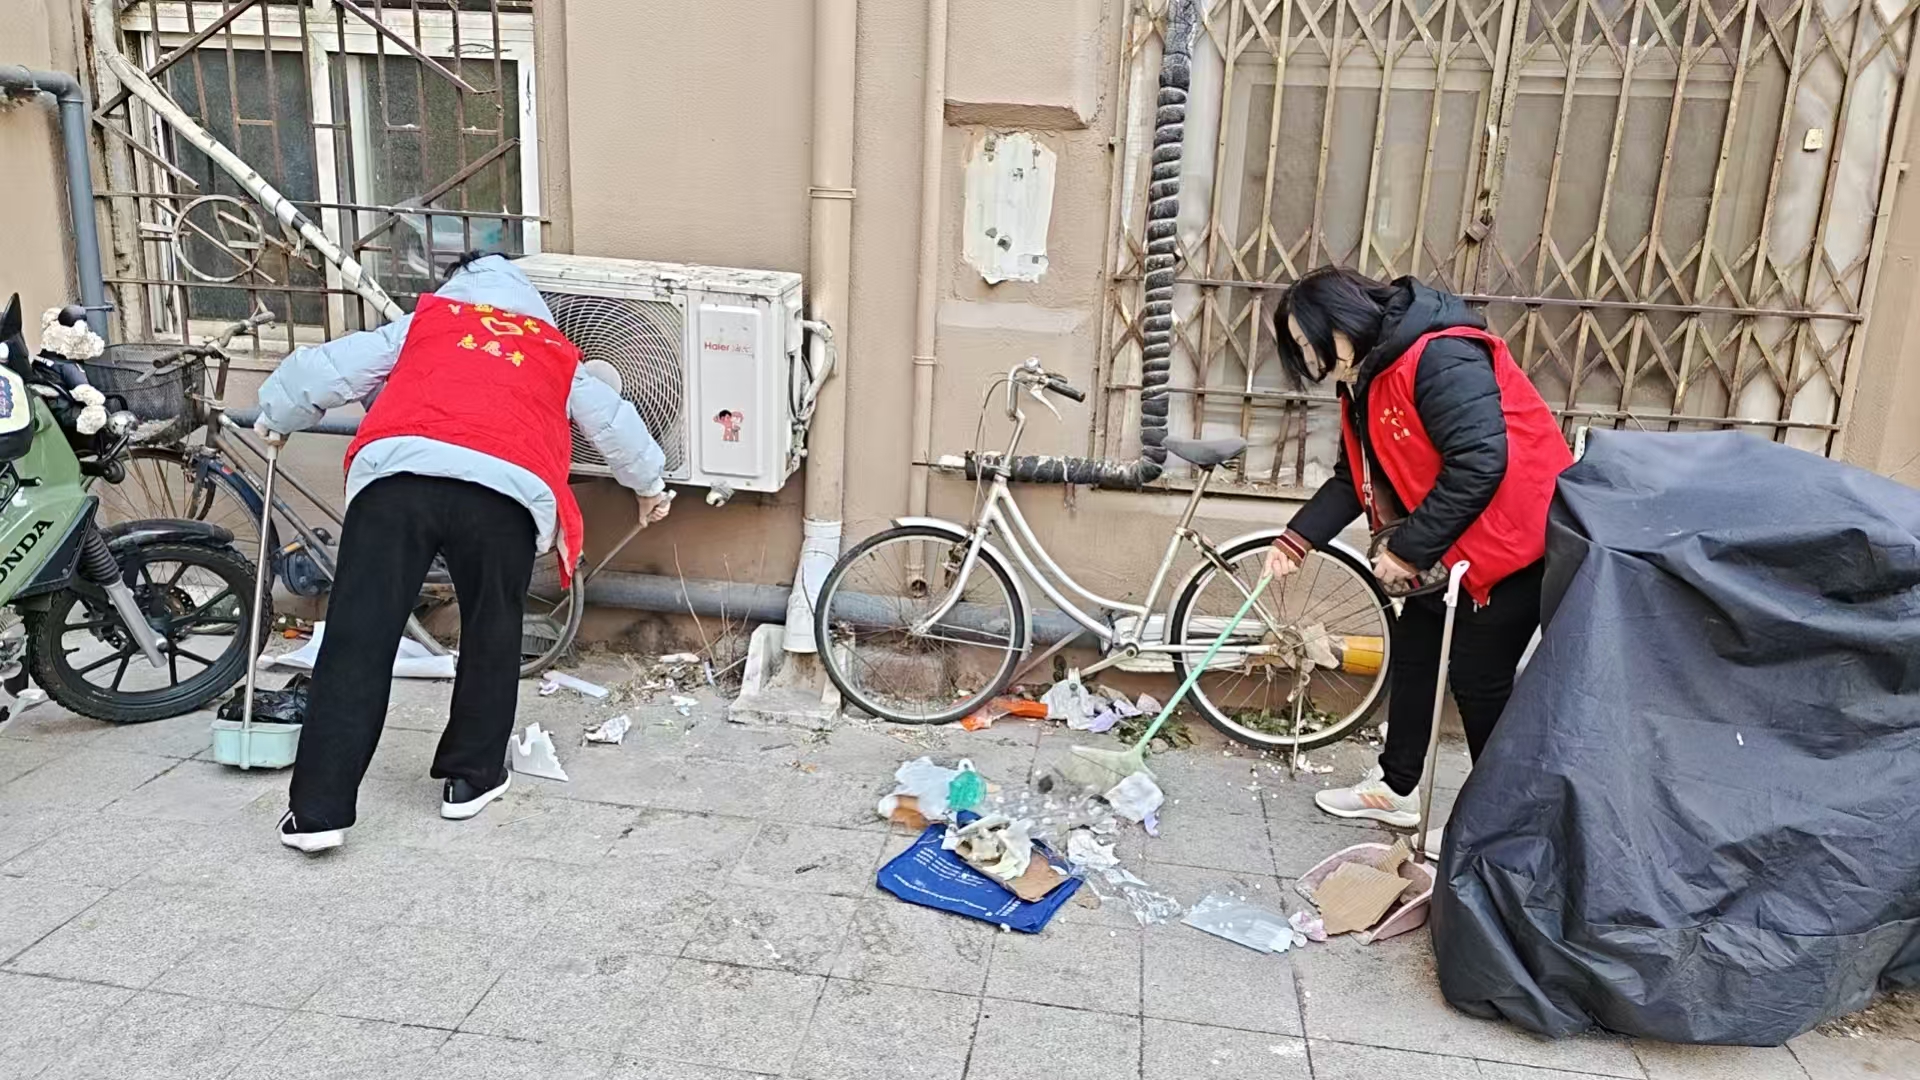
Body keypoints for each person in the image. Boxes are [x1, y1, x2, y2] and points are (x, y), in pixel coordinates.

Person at [255, 252, 671, 853]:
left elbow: (329, 370)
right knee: (491, 629)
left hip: (398, 481)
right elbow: (613, 422)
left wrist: (276, 414)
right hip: (504, 492)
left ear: (455, 286)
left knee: (357, 636)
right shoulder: (553, 349)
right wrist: (650, 486)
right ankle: (471, 778)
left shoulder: (427, 322)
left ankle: (318, 813)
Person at [1265, 266, 1572, 832]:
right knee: (1416, 656)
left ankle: (1503, 822)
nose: (1310, 359)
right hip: (1450, 543)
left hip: (1515, 543)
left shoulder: (1440, 355)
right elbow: (1354, 477)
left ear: (1343, 320)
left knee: (1479, 679)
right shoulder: (1365, 375)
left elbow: (1481, 462)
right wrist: (1298, 538)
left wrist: (1407, 550)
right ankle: (1397, 787)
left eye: (1310, 342)